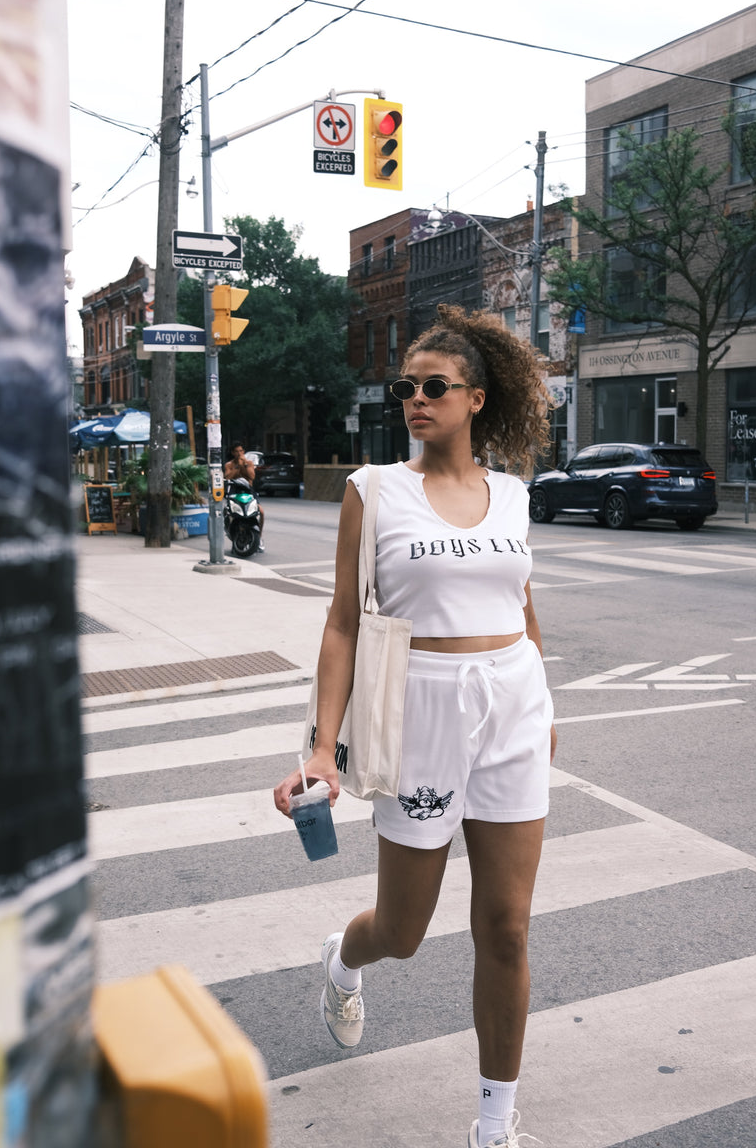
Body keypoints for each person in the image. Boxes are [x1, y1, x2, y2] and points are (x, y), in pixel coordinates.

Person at [274, 305, 557, 1148]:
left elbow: (523, 608)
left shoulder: (512, 494)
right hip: (422, 712)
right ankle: (344, 959)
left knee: (505, 927)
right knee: (402, 933)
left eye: (434, 387)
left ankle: (495, 1125)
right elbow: (342, 624)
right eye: (407, 387)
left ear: (475, 399)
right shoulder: (373, 491)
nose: (415, 399)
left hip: (513, 703)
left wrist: (543, 707)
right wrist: (321, 748)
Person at [224, 440, 264, 552]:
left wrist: (244, 465)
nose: (239, 453)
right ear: (233, 453)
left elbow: (251, 476)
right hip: (234, 490)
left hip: (248, 491)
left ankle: (259, 537)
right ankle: (231, 532)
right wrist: (237, 467)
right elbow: (228, 477)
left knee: (260, 511)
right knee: (230, 512)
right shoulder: (229, 465)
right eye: (236, 451)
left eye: (241, 451)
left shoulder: (249, 463)